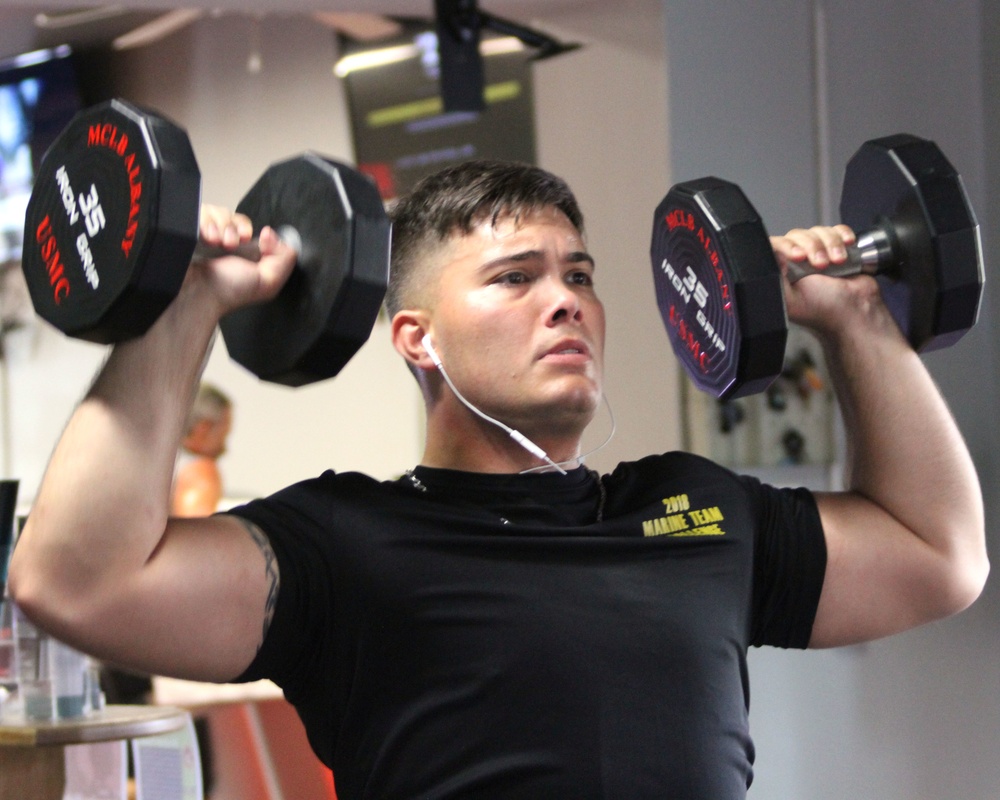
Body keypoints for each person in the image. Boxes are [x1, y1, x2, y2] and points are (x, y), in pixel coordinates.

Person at [8, 160, 988, 798]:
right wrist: (185, 309)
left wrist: (857, 322)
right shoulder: (345, 543)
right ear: (415, 338)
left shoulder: (697, 509)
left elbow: (937, 554)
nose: (564, 299)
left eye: (580, 273)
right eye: (515, 278)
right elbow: (71, 580)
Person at [171, 382, 233, 518]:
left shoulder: (151, 462)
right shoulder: (200, 471)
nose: (225, 449)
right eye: (223, 435)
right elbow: (192, 529)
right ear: (203, 429)